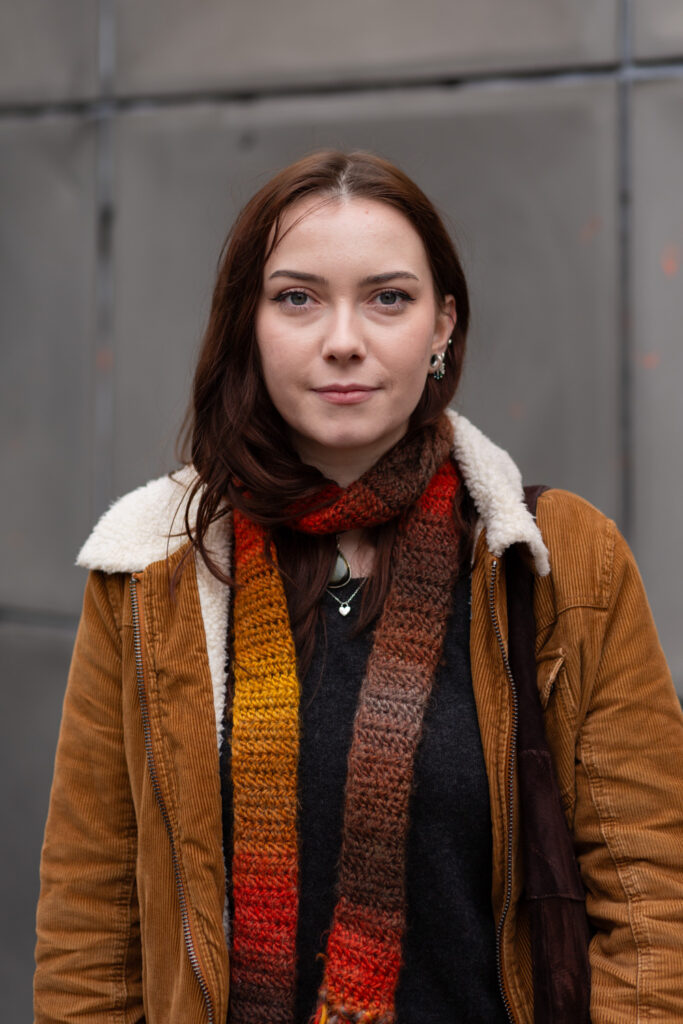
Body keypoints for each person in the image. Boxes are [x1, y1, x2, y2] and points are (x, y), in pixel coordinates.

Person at [34, 150, 683, 1024]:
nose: (344, 339)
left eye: (388, 298)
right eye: (297, 298)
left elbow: (651, 907)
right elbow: (92, 924)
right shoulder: (152, 567)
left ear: (442, 324)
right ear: (248, 324)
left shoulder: (559, 557)